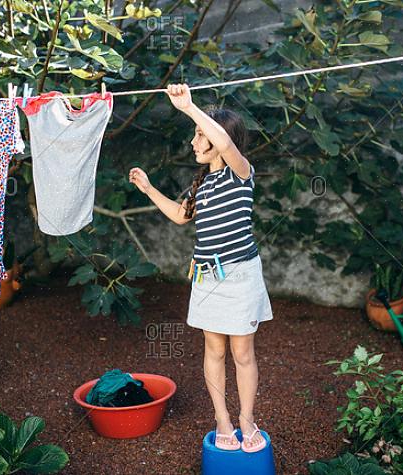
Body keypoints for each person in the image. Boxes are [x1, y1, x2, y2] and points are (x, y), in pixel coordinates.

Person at [128, 83, 273, 453]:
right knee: (214, 351)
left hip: (239, 276)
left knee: (242, 353)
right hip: (207, 278)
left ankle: (247, 419)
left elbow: (225, 145)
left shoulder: (240, 173)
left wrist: (190, 108)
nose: (194, 143)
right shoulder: (202, 185)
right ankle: (223, 420)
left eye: (199, 136)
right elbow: (180, 215)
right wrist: (148, 188)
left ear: (215, 135)